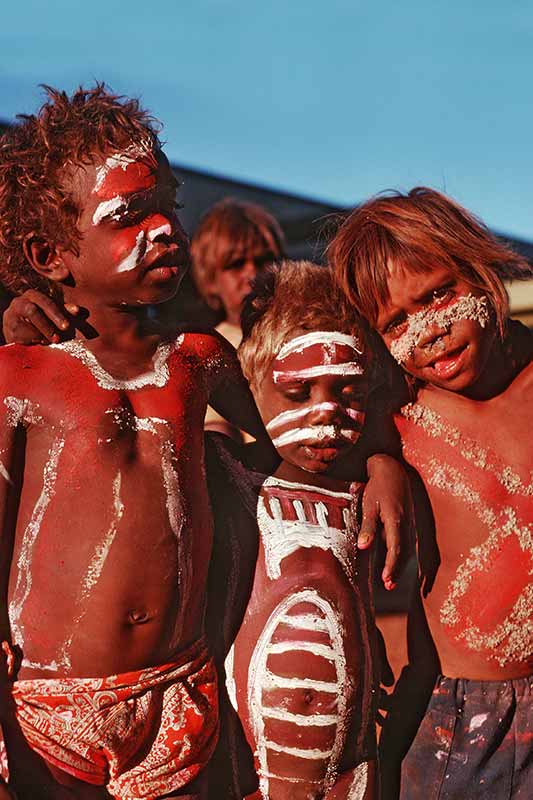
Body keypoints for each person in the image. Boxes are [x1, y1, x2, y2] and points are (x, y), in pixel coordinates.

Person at [0, 84, 271, 799]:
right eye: (129, 216)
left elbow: (293, 445)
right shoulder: (17, 376)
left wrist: (374, 460)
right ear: (51, 254)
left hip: (182, 693)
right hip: (46, 713)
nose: (165, 232)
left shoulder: (201, 360)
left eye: (168, 207)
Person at [329, 187, 533, 799]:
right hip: (468, 720)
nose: (430, 331)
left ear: (479, 271)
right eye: (396, 322)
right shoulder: (393, 420)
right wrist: (380, 459)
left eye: (439, 294)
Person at [220, 260, 382, 799]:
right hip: (251, 770)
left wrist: (389, 466)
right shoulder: (230, 477)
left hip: (351, 769)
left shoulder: (367, 489)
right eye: (297, 393)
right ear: (252, 387)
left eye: (348, 392)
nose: (326, 414)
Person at [190, 199, 285, 439]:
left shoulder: (301, 332)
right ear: (210, 279)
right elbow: (216, 430)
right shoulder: (207, 348)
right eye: (236, 264)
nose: (252, 274)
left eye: (263, 260)